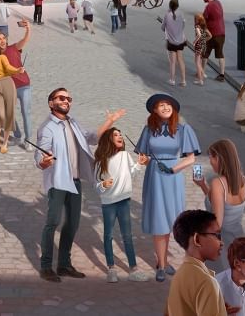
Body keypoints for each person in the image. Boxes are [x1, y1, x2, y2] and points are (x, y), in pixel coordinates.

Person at [34, 87, 125, 282]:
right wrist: (44, 162)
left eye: (68, 98)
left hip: (74, 180)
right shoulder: (47, 128)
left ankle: (64, 264)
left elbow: (92, 137)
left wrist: (110, 121)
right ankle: (46, 266)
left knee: (73, 223)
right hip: (58, 181)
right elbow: (40, 153)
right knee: (52, 222)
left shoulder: (73, 122)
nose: (66, 101)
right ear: (51, 103)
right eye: (61, 98)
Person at [135, 94, 200, 282]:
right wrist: (144, 161)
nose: (165, 107)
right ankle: (162, 264)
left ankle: (166, 261)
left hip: (173, 177)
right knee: (159, 221)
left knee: (173, 220)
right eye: (160, 105)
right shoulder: (148, 130)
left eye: (168, 104)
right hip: (155, 177)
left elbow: (191, 158)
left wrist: (173, 169)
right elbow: (145, 157)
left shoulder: (184, 129)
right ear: (154, 110)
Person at [93, 127, 151, 283]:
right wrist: (104, 184)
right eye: (115, 135)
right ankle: (111, 269)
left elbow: (131, 173)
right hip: (109, 203)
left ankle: (134, 269)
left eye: (120, 134)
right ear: (108, 140)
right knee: (108, 235)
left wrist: (139, 164)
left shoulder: (125, 155)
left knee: (127, 236)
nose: (120, 137)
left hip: (124, 200)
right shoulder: (101, 161)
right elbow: (96, 185)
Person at [194, 139, 245, 273]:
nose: (210, 162)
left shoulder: (218, 183)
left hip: (221, 246)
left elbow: (217, 223)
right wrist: (202, 185)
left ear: (219, 158)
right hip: (237, 239)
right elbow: (220, 203)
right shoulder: (243, 180)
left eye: (211, 157)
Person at [165, 209, 227, 316]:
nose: (221, 242)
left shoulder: (179, 275)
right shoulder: (207, 282)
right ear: (197, 239)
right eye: (217, 235)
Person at [0, 23, 34, 150]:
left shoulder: (14, 48)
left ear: (6, 40)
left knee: (26, 112)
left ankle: (28, 140)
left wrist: (28, 28)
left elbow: (25, 39)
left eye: (3, 38)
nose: (1, 41)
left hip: (24, 85)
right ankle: (18, 136)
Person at [199, 0, 227, 82]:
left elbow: (203, 19)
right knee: (220, 54)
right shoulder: (218, 2)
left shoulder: (208, 7)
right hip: (222, 32)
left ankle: (202, 72)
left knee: (205, 54)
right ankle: (222, 74)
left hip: (211, 33)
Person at [161, 0, 188, 86]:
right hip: (180, 40)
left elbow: (162, 27)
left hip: (171, 41)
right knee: (181, 60)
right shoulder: (181, 14)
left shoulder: (167, 15)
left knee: (173, 61)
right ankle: (183, 80)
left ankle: (172, 80)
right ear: (177, 5)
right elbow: (183, 25)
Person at [191, 13, 209, 85]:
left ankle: (200, 79)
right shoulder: (203, 26)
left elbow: (199, 35)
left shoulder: (197, 26)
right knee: (200, 61)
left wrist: (194, 42)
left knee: (197, 62)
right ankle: (203, 74)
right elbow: (207, 35)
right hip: (203, 45)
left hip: (198, 45)